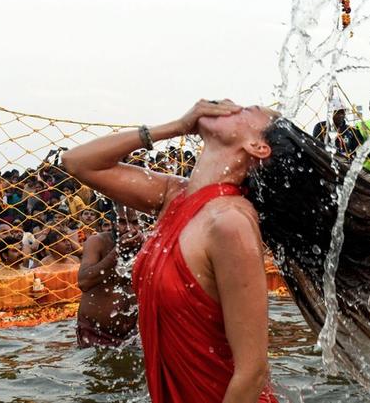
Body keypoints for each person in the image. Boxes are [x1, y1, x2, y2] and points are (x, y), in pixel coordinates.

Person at [62, 99, 278, 403]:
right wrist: (174, 127)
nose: (229, 104)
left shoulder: (231, 222)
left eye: (247, 110)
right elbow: (76, 162)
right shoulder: (173, 195)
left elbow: (252, 373)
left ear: (258, 147)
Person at [76, 205, 143, 348]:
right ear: (113, 223)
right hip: (95, 333)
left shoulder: (144, 246)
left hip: (132, 335)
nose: (130, 229)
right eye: (123, 222)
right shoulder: (97, 242)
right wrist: (117, 251)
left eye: (135, 222)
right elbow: (84, 282)